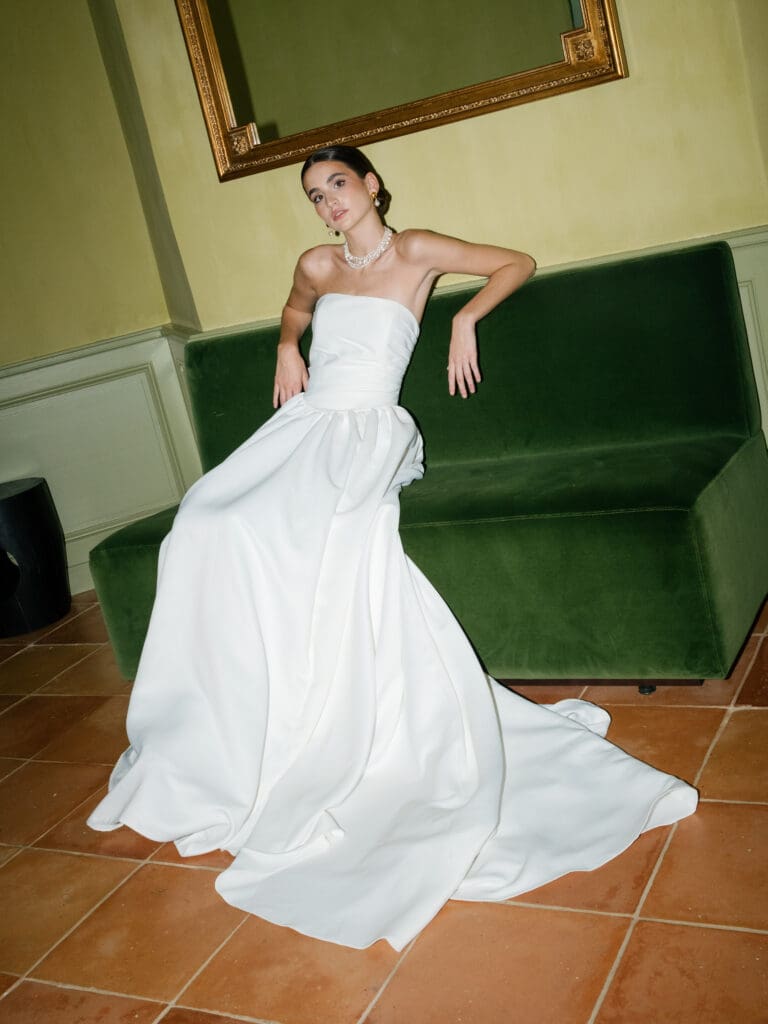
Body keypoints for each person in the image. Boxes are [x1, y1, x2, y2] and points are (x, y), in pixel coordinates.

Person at [88, 146, 698, 951]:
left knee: (300, 534)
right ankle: (224, 729)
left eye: (338, 184)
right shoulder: (316, 264)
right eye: (315, 195)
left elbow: (517, 261)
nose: (329, 203)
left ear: (371, 185)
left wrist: (466, 319)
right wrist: (287, 345)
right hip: (305, 425)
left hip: (368, 431)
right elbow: (296, 308)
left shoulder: (414, 251)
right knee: (205, 520)